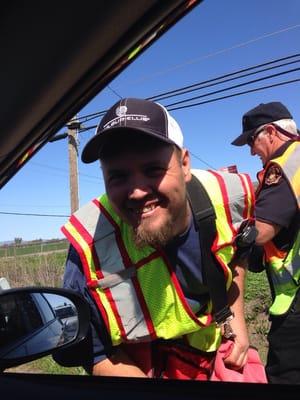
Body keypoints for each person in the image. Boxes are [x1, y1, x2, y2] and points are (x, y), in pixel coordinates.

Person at [60, 98, 255, 379]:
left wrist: (236, 320)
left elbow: (239, 252)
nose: (137, 192)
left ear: (185, 165)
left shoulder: (227, 199)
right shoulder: (90, 246)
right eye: (118, 176)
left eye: (153, 169)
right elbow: (94, 351)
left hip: (217, 350)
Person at [231, 101, 300, 384]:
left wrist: (228, 227)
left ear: (271, 132)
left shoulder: (287, 164)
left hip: (295, 300)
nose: (250, 150)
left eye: (251, 140)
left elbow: (260, 232)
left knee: (286, 375)